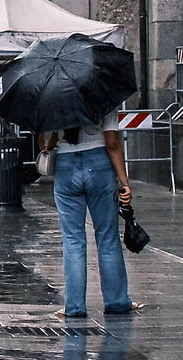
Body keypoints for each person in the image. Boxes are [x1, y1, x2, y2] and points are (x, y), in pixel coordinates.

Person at [44, 112, 135, 318]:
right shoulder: (102, 96)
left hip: (65, 166)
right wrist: (124, 183)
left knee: (73, 240)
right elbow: (112, 143)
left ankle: (74, 307)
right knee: (108, 237)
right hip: (100, 164)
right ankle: (117, 302)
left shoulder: (54, 100)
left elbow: (46, 143)